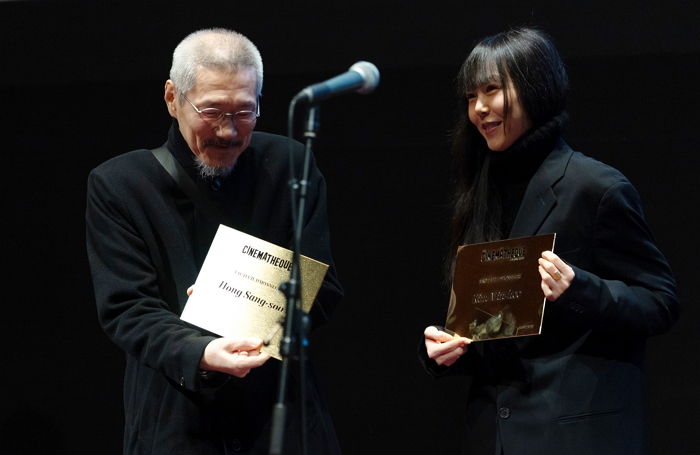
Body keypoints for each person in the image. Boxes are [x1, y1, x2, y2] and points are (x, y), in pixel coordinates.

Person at [420, 27, 679, 455]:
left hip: (573, 435)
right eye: (470, 96)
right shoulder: (479, 190)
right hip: (493, 435)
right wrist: (447, 347)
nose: (480, 108)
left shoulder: (594, 187)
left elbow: (661, 301)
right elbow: (492, 320)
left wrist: (581, 290)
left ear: (535, 90)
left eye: (491, 90)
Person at [86, 28, 343, 454]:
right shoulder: (120, 184)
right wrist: (201, 351)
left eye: (245, 112)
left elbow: (324, 287)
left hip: (282, 415)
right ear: (173, 98)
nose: (228, 131)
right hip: (175, 422)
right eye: (212, 111)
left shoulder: (290, 165)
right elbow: (127, 309)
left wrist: (244, 311)